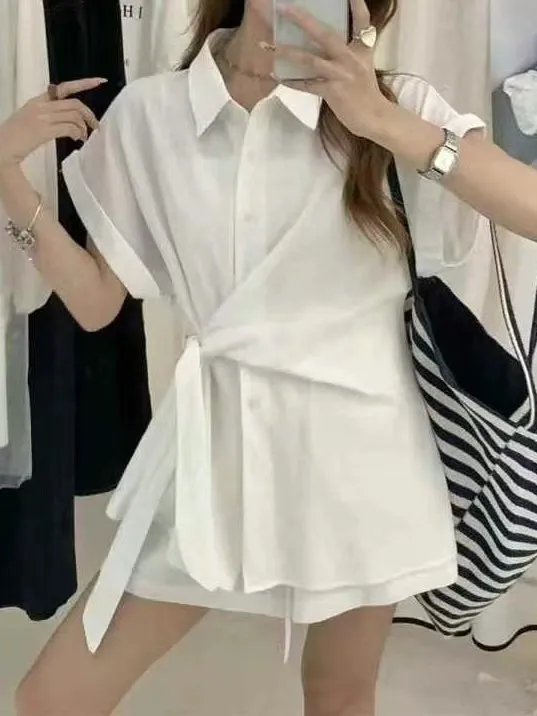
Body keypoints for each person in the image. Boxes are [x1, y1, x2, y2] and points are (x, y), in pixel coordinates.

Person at [1, 1, 537, 714]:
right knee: (52, 698)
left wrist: (382, 123)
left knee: (338, 697)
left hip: (363, 463)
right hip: (215, 460)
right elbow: (98, 301)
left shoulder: (392, 104)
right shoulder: (153, 114)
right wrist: (8, 178)